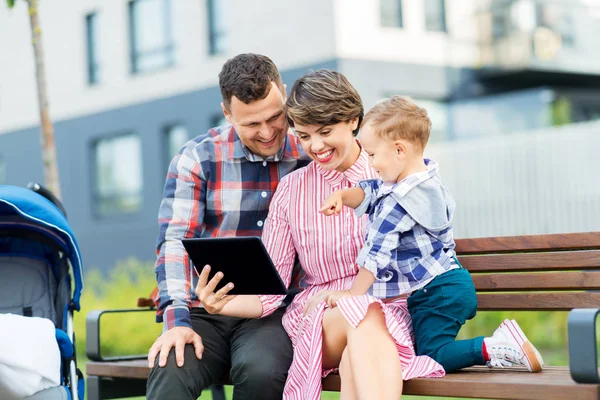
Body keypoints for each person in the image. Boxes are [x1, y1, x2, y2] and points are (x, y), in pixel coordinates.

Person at [194, 70, 445, 400]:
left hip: (394, 309)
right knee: (363, 315)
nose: (316, 146)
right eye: (304, 135)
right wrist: (220, 304)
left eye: (325, 132)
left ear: (354, 121)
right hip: (320, 317)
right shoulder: (291, 191)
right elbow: (271, 291)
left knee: (364, 338)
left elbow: (431, 249)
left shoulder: (394, 173)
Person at [319, 95, 545, 374]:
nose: (371, 162)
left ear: (399, 150)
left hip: (436, 293)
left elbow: (374, 255)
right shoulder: (425, 181)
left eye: (373, 154)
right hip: (446, 285)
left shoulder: (399, 204)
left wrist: (351, 295)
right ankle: (497, 345)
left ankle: (495, 345)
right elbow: (374, 189)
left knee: (431, 355)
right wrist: (343, 195)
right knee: (403, 352)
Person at [146, 53, 310, 400]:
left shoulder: (310, 152)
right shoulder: (198, 158)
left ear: (283, 92)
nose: (267, 133)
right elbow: (175, 241)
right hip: (206, 308)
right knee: (170, 370)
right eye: (252, 125)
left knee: (262, 373)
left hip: (273, 313)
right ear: (227, 114)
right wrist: (176, 322)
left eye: (275, 117)